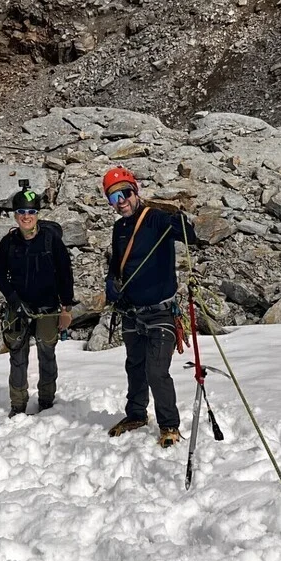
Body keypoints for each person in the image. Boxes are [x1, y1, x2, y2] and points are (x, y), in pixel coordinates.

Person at [102, 166, 197, 448]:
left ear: (135, 191)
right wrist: (111, 284)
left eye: (125, 193)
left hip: (160, 311)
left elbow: (189, 237)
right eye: (113, 197)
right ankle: (136, 415)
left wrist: (178, 218)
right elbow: (117, 264)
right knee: (135, 366)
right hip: (131, 310)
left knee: (156, 370)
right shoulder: (119, 228)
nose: (121, 201)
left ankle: (169, 424)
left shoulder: (156, 219)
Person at [0, 186, 75, 417]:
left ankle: (46, 401)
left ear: (37, 214)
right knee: (17, 356)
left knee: (46, 353)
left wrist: (66, 308)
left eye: (30, 211)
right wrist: (13, 299)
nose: (26, 216)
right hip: (18, 309)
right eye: (21, 211)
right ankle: (17, 404)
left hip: (48, 309)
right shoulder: (8, 243)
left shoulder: (51, 241)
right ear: (15, 215)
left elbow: (65, 274)